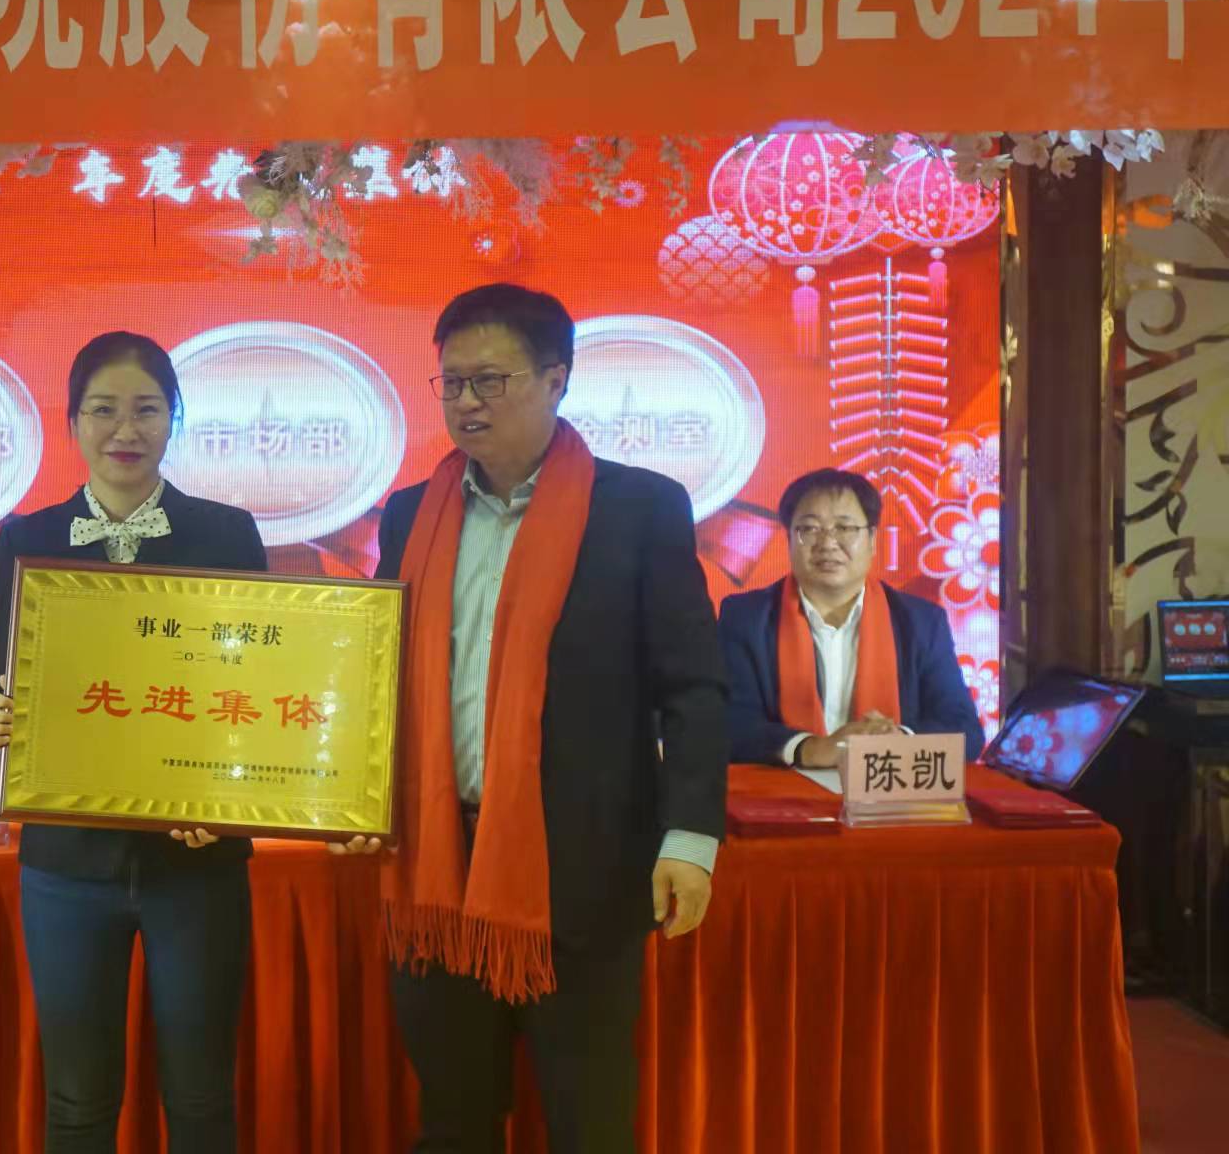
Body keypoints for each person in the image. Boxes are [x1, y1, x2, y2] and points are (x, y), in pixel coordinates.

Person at [348, 284, 728, 1154]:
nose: (466, 402)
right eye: (451, 383)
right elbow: (377, 675)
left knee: (588, 1124)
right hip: (437, 866)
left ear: (557, 379)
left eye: (491, 380)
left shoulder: (639, 509)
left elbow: (695, 688)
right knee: (453, 1124)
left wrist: (691, 838)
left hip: (582, 870)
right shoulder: (411, 514)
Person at [0, 332, 267, 1154]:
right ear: (72, 421)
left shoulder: (226, 533)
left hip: (197, 862)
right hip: (67, 864)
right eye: (103, 409)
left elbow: (250, 689)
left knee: (202, 1096)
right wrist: (7, 721)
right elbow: (27, 682)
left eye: (146, 409)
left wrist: (228, 796)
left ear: (174, 418)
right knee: (78, 1099)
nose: (125, 430)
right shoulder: (27, 538)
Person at [717, 468, 984, 766]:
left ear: (872, 539)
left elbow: (965, 730)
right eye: (810, 529)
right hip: (785, 788)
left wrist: (899, 740)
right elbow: (728, 723)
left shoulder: (922, 622)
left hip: (890, 787)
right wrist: (810, 749)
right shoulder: (745, 618)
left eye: (844, 528)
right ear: (789, 539)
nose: (828, 543)